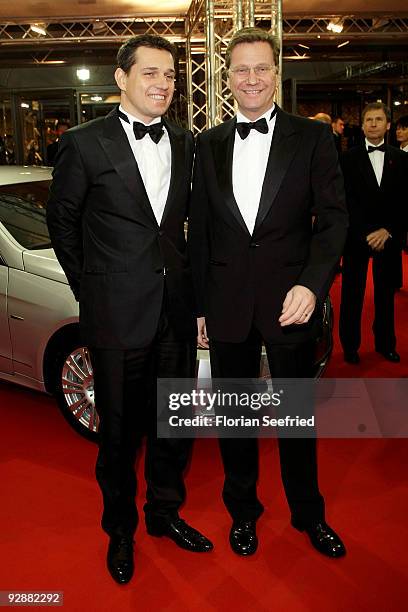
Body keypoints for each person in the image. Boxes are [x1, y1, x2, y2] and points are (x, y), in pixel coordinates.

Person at [47, 34, 213, 585]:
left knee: (175, 423)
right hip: (116, 313)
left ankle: (164, 514)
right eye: (150, 74)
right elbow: (63, 224)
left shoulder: (187, 143)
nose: (163, 85)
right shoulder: (83, 142)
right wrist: (91, 291)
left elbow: (191, 230)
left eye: (169, 75)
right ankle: (119, 530)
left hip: (177, 311)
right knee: (118, 433)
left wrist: (202, 301)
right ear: (121, 78)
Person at [188, 27, 348, 559]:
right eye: (241, 69)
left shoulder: (313, 138)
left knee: (297, 418)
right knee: (235, 420)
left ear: (276, 73)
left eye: (261, 68)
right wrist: (200, 306)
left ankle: (309, 514)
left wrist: (312, 283)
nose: (251, 78)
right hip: (228, 302)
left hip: (291, 302)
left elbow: (333, 222)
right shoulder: (206, 144)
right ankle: (243, 513)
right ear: (226, 77)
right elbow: (202, 229)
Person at [339, 102, 408, 364]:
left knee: (385, 296)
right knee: (351, 295)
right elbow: (344, 201)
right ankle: (350, 346)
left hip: (388, 239)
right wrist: (365, 232)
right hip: (357, 238)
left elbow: (405, 201)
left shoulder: (402, 159)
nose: (374, 124)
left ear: (388, 125)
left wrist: (388, 230)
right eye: (369, 120)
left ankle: (385, 344)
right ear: (363, 124)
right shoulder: (346, 158)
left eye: (379, 119)